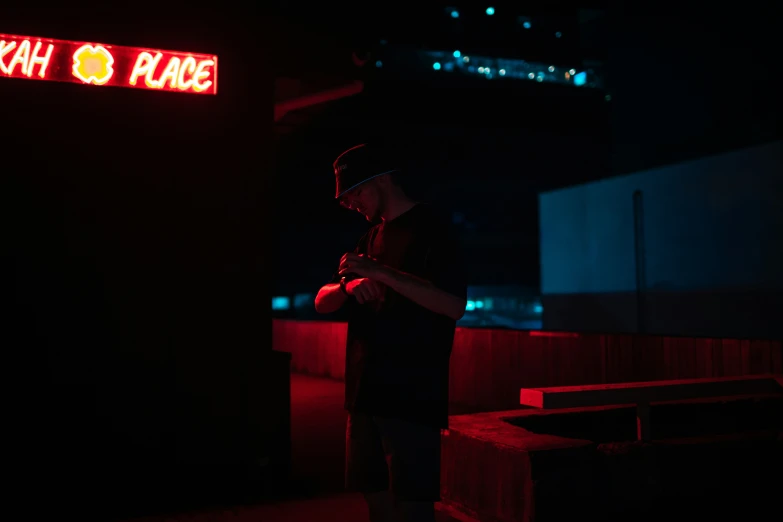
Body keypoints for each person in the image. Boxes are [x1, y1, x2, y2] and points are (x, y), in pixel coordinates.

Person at [315, 143, 467, 522]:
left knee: (412, 504)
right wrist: (348, 287)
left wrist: (383, 274)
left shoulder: (434, 226)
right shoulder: (367, 242)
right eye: (346, 200)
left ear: (383, 179)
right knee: (375, 498)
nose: (351, 204)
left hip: (412, 394)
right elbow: (321, 300)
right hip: (364, 391)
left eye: (356, 193)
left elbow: (453, 304)